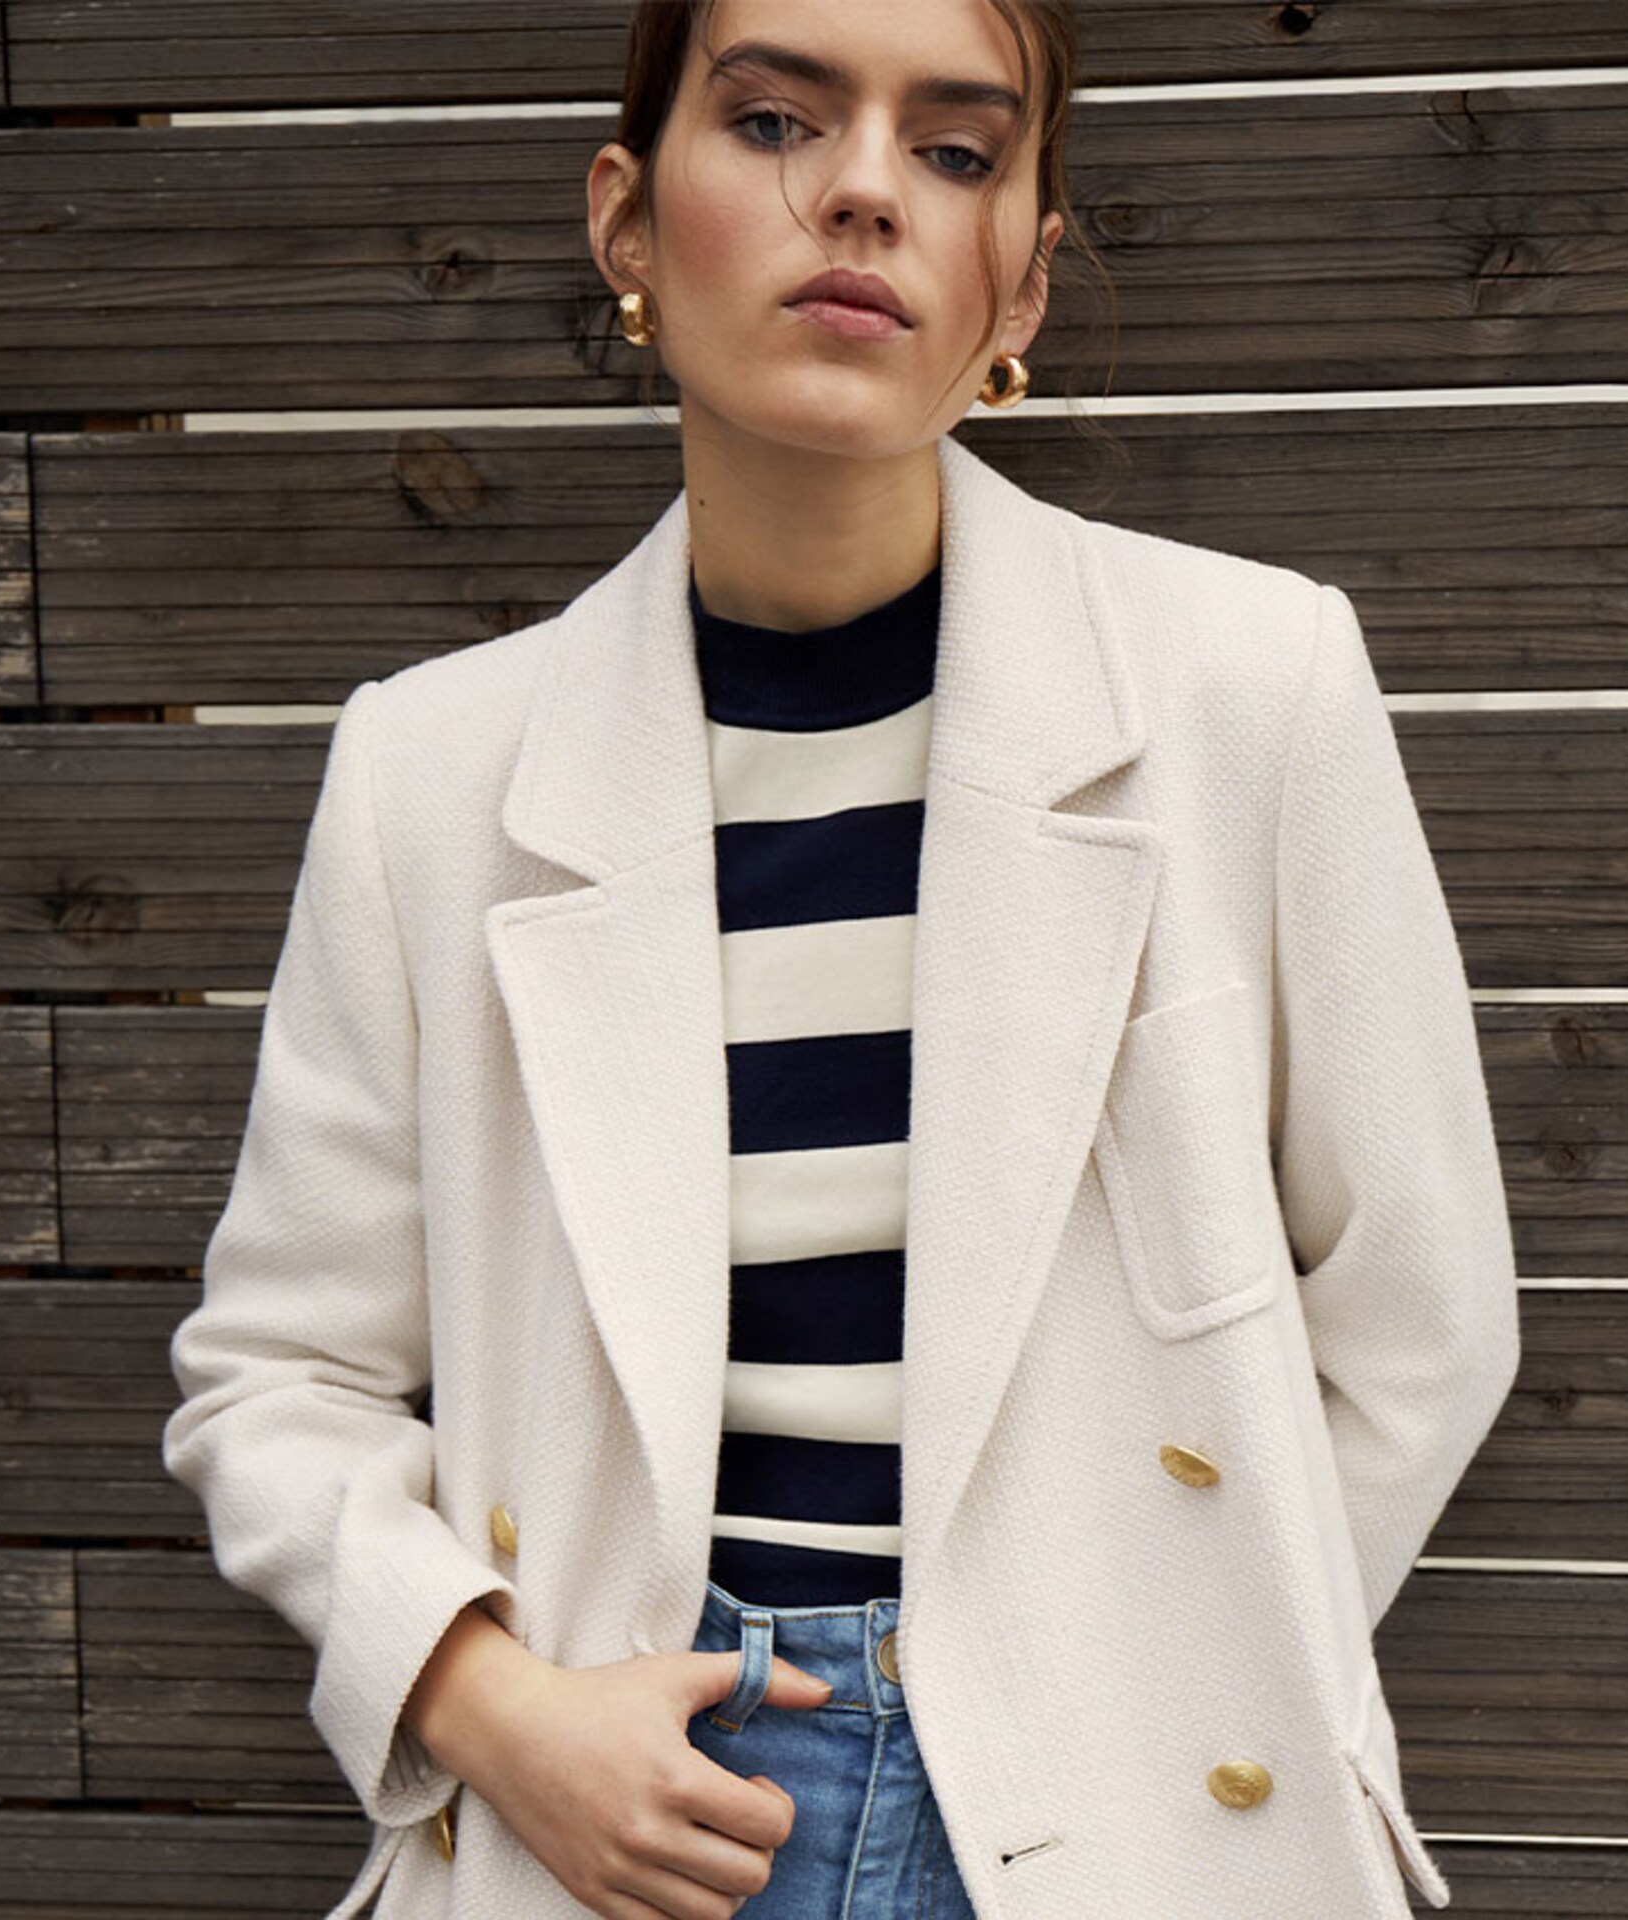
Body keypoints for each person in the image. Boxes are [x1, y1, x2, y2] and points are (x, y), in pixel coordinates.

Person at [162, 1, 1522, 1917]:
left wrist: (1150, 1677)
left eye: (958, 151)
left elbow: (1423, 1319)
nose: (869, 192)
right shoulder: (432, 774)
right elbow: (278, 1374)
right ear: (627, 223)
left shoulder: (1250, 686)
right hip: (623, 1802)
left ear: (1022, 279)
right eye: (776, 119)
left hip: (1135, 1815)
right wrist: (492, 1707)